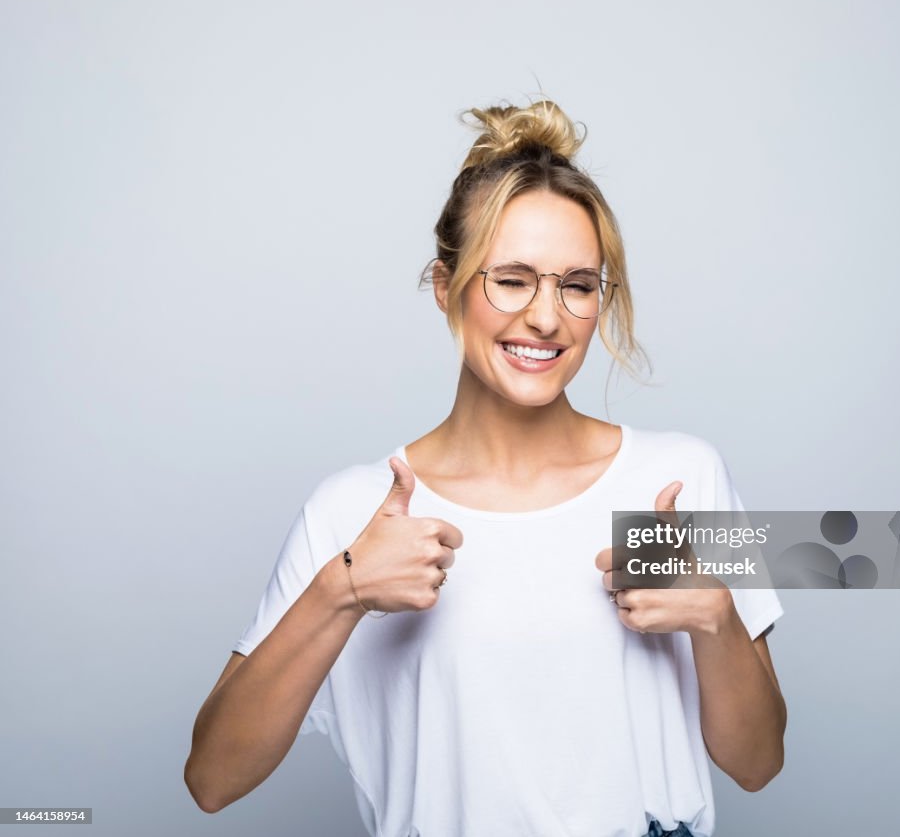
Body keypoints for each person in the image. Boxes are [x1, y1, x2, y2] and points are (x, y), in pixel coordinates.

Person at [184, 97, 787, 837]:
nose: (546, 317)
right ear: (447, 285)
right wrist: (341, 590)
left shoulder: (681, 479)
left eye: (577, 284)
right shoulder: (358, 515)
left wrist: (717, 617)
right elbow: (212, 778)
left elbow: (759, 762)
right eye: (511, 278)